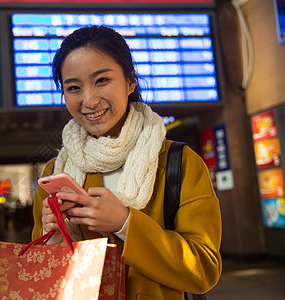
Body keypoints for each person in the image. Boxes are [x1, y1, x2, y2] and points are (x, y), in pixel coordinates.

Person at [31, 26, 222, 299]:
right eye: (73, 87)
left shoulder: (179, 163)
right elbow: (45, 275)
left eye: (101, 80)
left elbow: (203, 269)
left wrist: (125, 223)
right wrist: (53, 234)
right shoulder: (55, 173)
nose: (89, 100)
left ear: (130, 81)